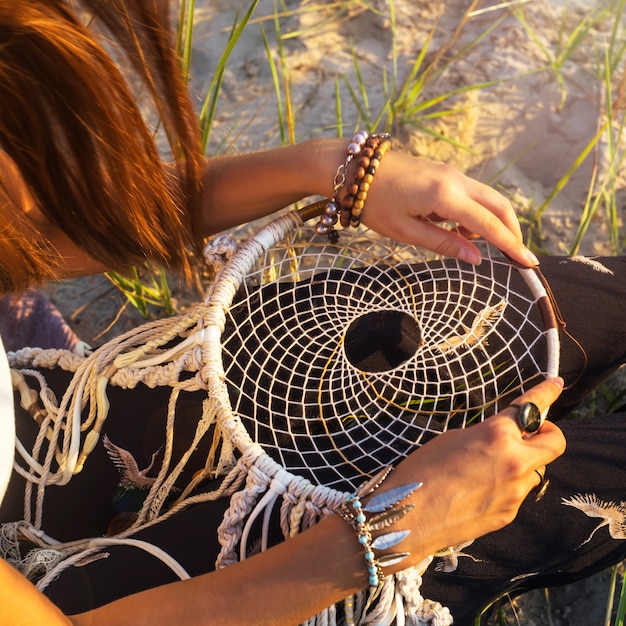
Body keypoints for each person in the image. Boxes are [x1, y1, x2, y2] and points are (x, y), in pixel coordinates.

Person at [0, 1, 622, 625]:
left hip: (55, 424)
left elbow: (38, 236)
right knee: (579, 482)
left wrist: (331, 169)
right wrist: (385, 534)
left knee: (513, 303)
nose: (29, 196)